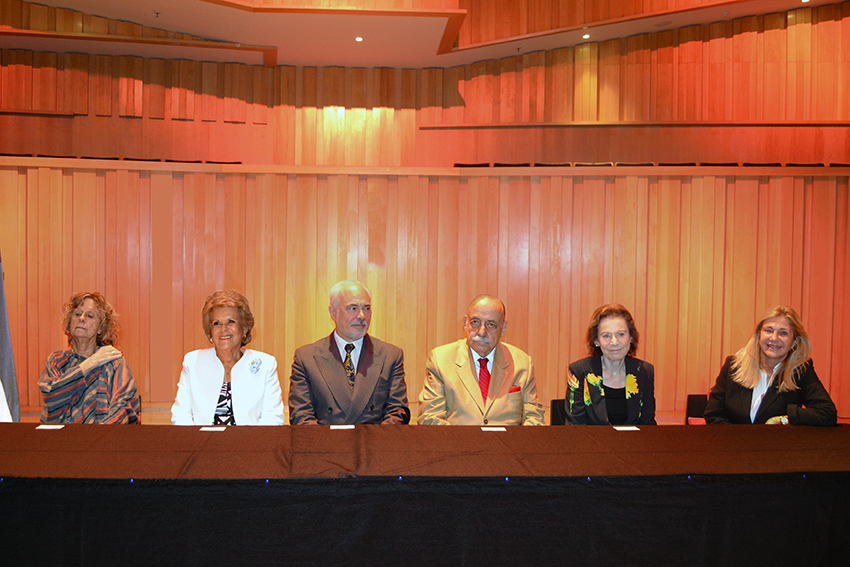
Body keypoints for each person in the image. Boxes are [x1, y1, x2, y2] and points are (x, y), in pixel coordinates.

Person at [288, 280, 410, 425]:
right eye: (353, 308)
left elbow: (397, 412)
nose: (362, 316)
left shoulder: (391, 356)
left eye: (366, 308)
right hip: (325, 439)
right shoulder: (306, 358)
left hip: (374, 438)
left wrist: (373, 439)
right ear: (333, 312)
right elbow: (301, 416)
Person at [418, 295, 545, 426]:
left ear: (503, 328)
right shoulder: (440, 360)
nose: (482, 332)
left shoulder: (522, 363)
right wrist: (466, 439)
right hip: (457, 439)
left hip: (507, 439)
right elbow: (430, 418)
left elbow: (534, 419)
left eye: (491, 325)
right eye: (475, 322)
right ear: (465, 323)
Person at [704, 305, 837, 426]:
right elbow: (713, 414)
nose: (774, 338)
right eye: (768, 330)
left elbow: (827, 413)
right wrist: (740, 440)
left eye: (783, 333)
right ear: (758, 336)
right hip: (733, 443)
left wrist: (784, 419)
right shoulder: (733, 366)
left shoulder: (800, 371)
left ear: (794, 342)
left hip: (777, 444)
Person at [171, 290, 284, 425]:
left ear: (244, 328)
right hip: (202, 438)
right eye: (216, 323)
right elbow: (181, 415)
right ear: (210, 331)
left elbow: (273, 418)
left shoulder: (266, 364)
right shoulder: (193, 362)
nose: (223, 329)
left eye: (231, 321)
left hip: (250, 438)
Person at [39, 292, 141, 424]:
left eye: (90, 315)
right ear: (69, 323)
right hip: (59, 435)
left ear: (100, 328)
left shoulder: (114, 361)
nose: (81, 318)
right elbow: (52, 398)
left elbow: (122, 407)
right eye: (77, 314)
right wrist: (89, 364)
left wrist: (97, 434)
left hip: (103, 434)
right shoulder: (56, 360)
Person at [564, 304, 656, 425]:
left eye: (621, 334)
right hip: (590, 437)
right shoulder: (579, 372)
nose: (614, 342)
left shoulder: (644, 371)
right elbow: (575, 425)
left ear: (631, 337)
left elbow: (648, 424)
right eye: (606, 336)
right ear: (596, 341)